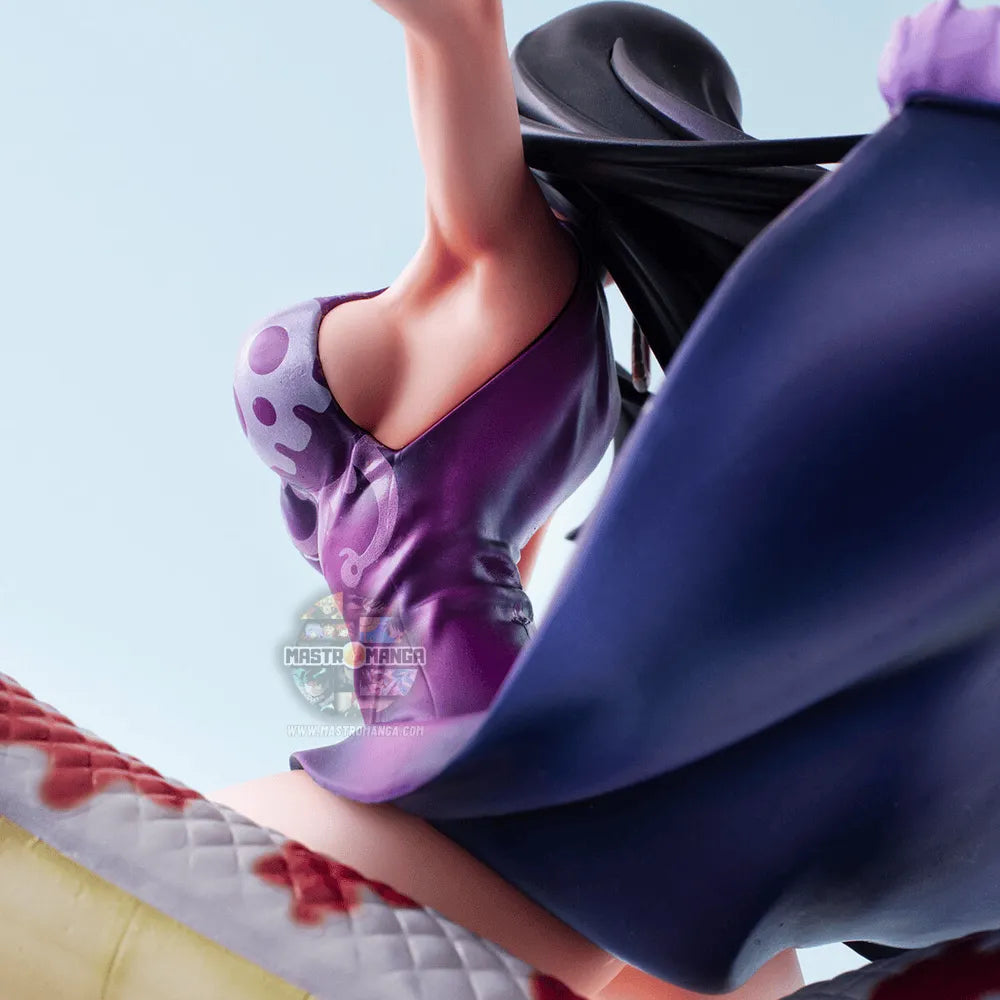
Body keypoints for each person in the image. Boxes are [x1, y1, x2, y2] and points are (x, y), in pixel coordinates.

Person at [224, 0, 1000, 996]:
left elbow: (458, 27)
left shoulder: (485, 288)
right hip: (500, 756)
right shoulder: (517, 351)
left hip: (464, 773)